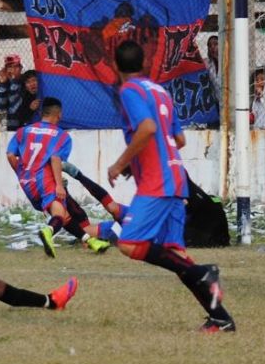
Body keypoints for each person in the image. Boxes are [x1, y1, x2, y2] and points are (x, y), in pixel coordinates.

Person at [86, 40, 235, 333]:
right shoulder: (160, 91)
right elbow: (178, 140)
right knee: (175, 255)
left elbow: (148, 128)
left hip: (158, 181)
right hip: (177, 178)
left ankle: (203, 272)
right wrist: (135, 162)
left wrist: (119, 163)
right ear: (144, 64)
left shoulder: (129, 91)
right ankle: (221, 318)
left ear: (115, 66)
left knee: (129, 243)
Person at [6, 97, 110, 258]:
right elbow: (55, 158)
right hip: (46, 178)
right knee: (60, 215)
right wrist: (59, 185)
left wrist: (21, 174)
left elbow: (11, 155)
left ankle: (91, 242)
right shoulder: (61, 136)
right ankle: (48, 231)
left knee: (67, 216)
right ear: (59, 115)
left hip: (26, 182)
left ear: (42, 113)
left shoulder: (23, 131)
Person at [0, 55, 26, 131]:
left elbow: (14, 105)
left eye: (16, 67)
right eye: (10, 67)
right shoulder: (5, 83)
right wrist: (3, 84)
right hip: (7, 126)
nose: (13, 70)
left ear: (21, 68)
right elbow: (0, 107)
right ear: (6, 70)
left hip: (23, 124)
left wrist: (14, 81)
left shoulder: (25, 82)